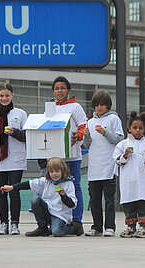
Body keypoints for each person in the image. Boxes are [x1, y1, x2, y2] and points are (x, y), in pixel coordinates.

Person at [0, 82, 27, 235]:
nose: (4, 98)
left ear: (12, 95)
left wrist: (14, 132)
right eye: (1, 95)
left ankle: (15, 224)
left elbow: (26, 137)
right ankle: (3, 223)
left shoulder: (20, 113)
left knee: (14, 191)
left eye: (7, 95)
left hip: (16, 159)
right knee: (1, 191)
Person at [1, 157, 83, 237]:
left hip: (59, 215)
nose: (54, 174)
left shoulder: (68, 184)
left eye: (57, 171)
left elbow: (72, 204)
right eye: (52, 171)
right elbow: (29, 184)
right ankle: (42, 228)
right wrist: (12, 187)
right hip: (47, 211)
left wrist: (63, 196)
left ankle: (73, 229)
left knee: (57, 232)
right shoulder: (46, 181)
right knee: (35, 200)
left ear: (63, 171)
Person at [82, 90, 124, 237]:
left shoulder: (114, 119)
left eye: (103, 105)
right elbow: (86, 145)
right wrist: (86, 136)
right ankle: (97, 226)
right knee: (94, 199)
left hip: (108, 166)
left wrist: (106, 132)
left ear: (108, 106)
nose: (99, 107)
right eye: (97, 105)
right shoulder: (90, 121)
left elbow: (119, 139)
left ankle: (110, 227)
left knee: (109, 200)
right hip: (94, 167)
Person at [113, 111, 145, 238]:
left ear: (144, 129)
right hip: (128, 181)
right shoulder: (122, 145)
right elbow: (117, 160)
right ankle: (131, 226)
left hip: (143, 181)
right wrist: (125, 155)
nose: (138, 130)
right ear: (129, 129)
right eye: (135, 128)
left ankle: (143, 227)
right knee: (129, 203)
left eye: (140, 128)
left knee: (144, 203)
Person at [51, 76, 87, 228]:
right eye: (57, 88)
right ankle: (55, 219)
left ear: (68, 90)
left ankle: (77, 220)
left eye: (62, 87)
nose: (60, 91)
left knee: (75, 186)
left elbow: (83, 125)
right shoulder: (50, 107)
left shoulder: (75, 107)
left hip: (72, 155)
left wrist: (78, 136)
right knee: (53, 187)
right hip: (55, 157)